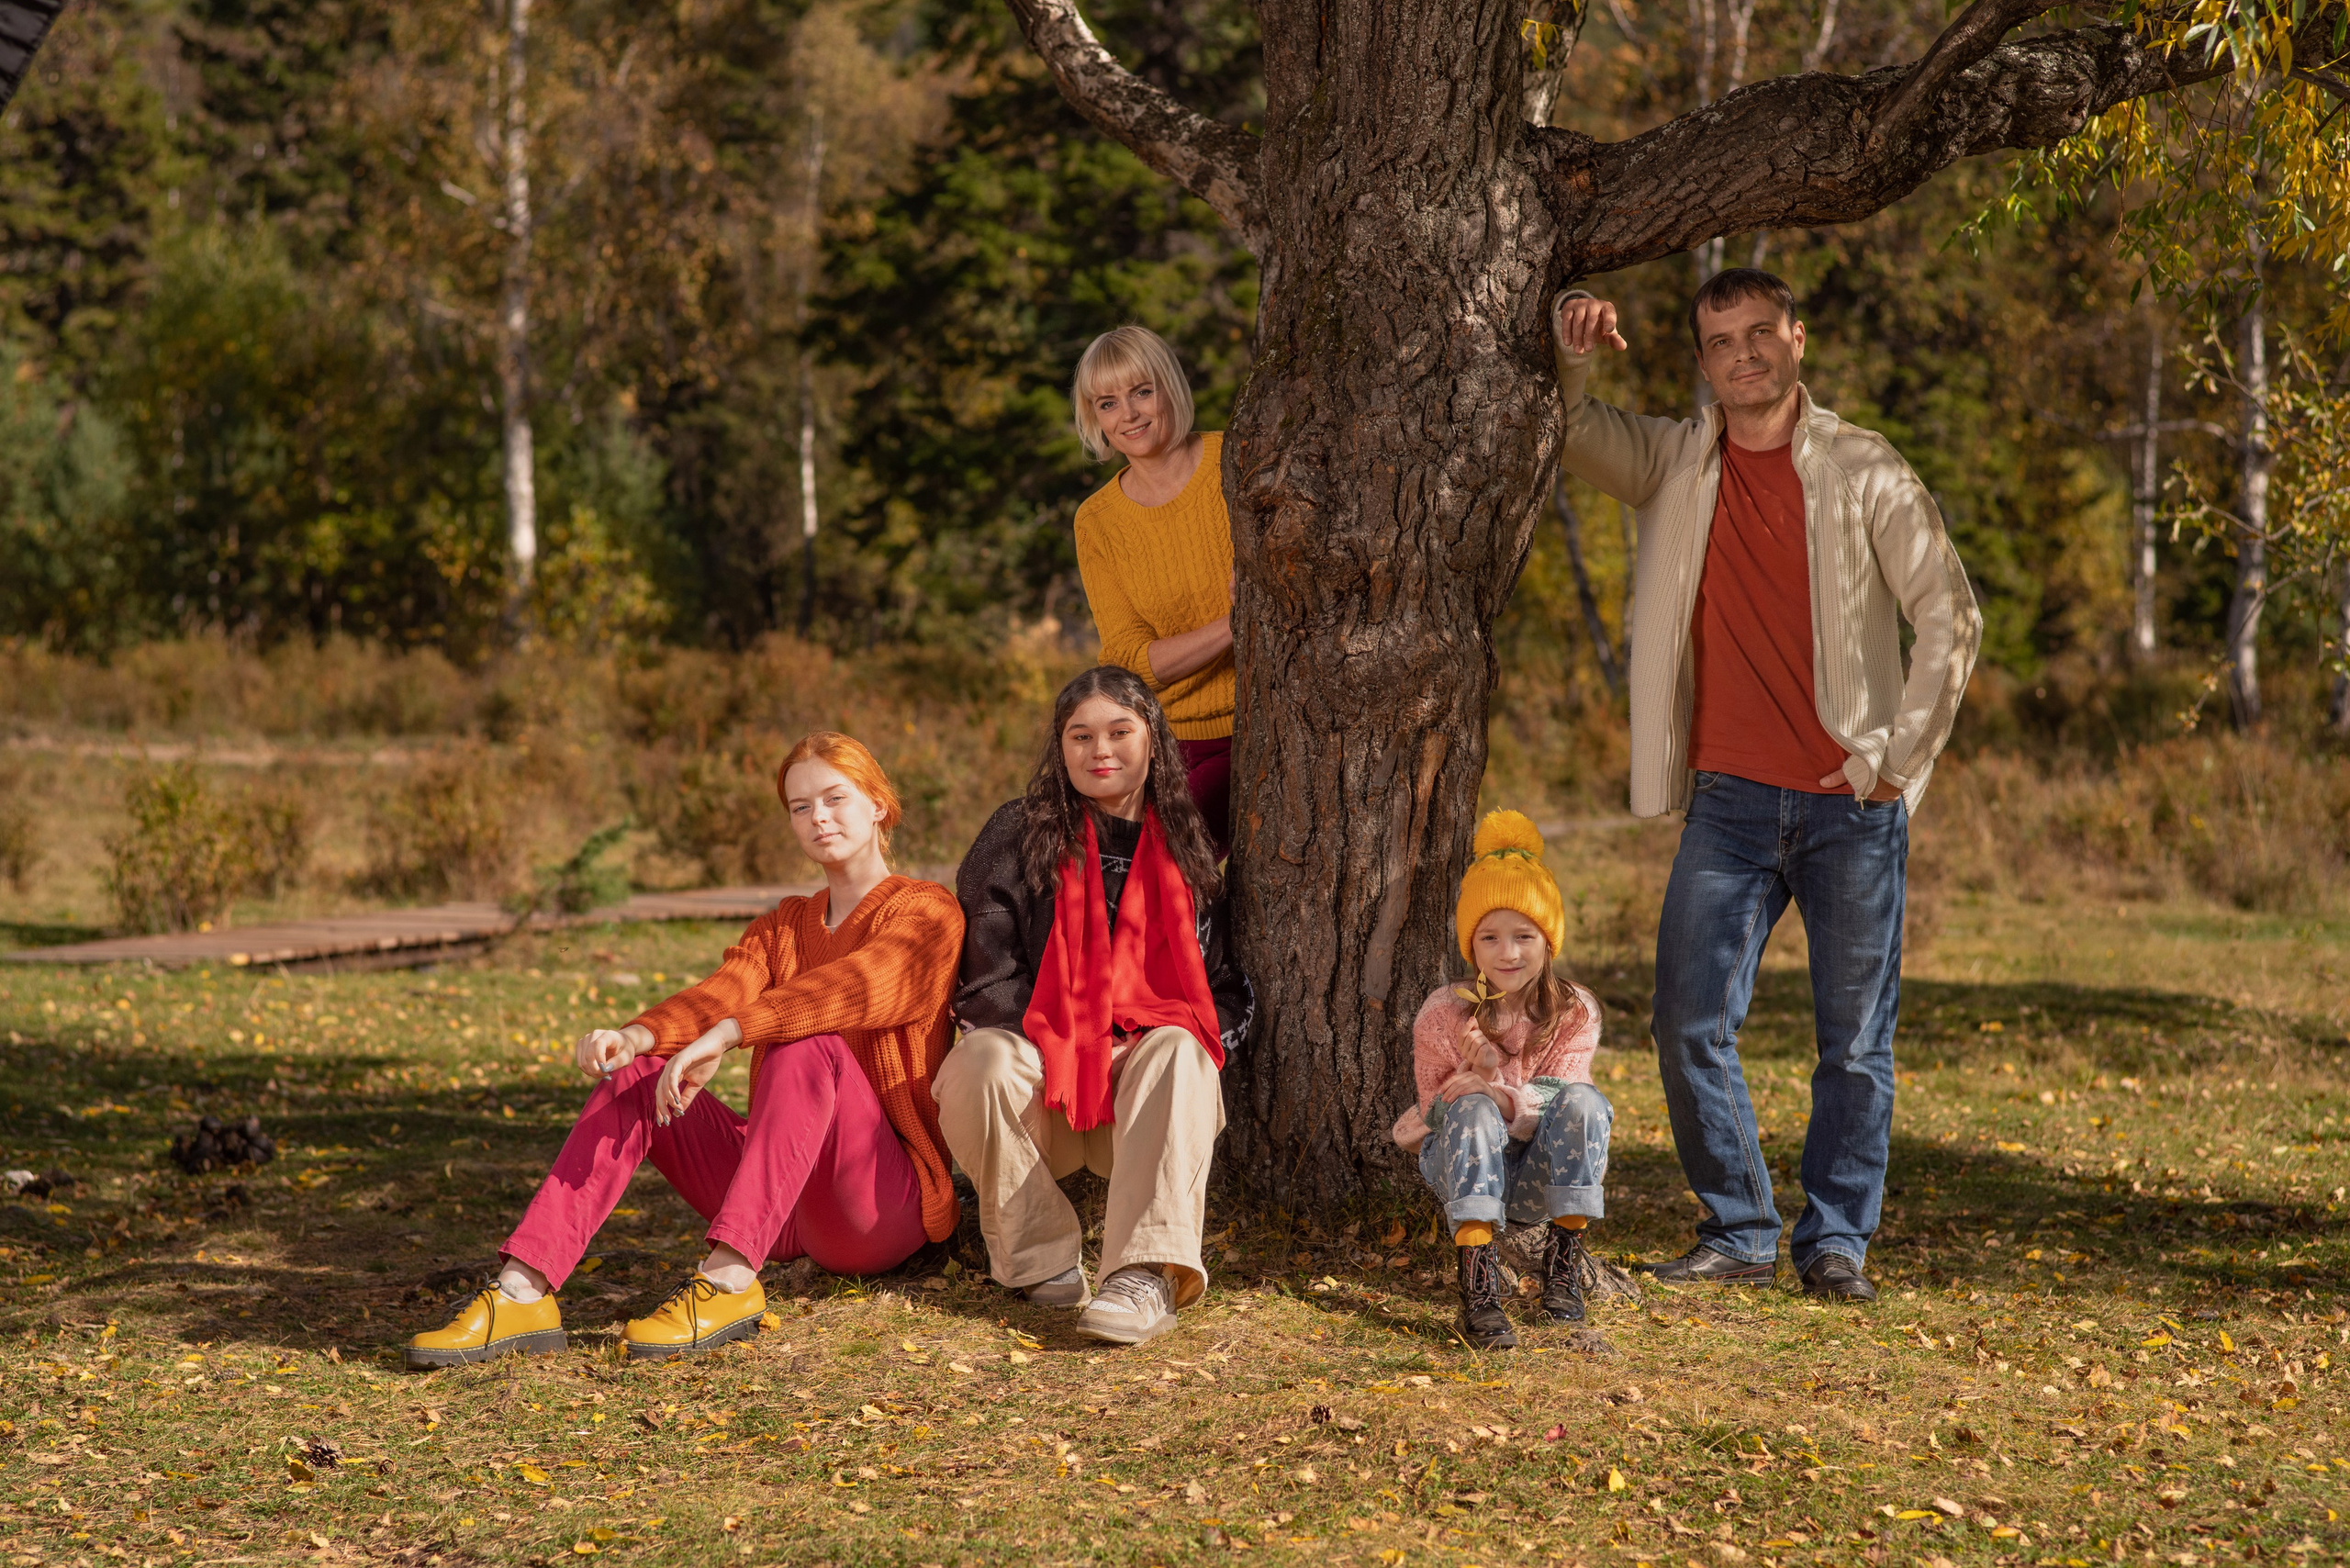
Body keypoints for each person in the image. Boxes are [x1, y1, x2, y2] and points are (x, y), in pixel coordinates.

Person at [1551, 270, 1982, 1303]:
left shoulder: (1863, 467)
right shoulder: (1671, 460)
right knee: (1687, 1018)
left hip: (1851, 805)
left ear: (1797, 338)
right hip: (1730, 802)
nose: (1743, 354)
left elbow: (1950, 616)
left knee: (1856, 1045)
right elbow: (1565, 429)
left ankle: (1836, 1241)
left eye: (1760, 334)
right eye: (1721, 341)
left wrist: (1893, 757)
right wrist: (1567, 349)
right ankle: (1740, 1228)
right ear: (1702, 362)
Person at [404, 733, 966, 1367]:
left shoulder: (927, 913)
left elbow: (852, 988)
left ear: (878, 806)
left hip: (873, 1207)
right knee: (637, 1074)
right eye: (800, 807)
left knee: (805, 1044)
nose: (819, 818)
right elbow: (723, 991)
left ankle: (727, 1282)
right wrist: (636, 1037)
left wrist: (732, 1034)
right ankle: (522, 1291)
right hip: (780, 1205)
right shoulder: (784, 925)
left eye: (836, 799)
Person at [934, 666, 1251, 1346]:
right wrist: (1074, 1041)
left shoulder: (1188, 845)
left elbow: (1223, 989)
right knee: (978, 1062)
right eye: (1080, 735)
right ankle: (1040, 1259)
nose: (1099, 750)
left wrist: (1141, 1036)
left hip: (1145, 1106)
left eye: (1119, 731)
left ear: (1153, 742)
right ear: (1060, 746)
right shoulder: (1016, 835)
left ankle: (1142, 1276)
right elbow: (985, 984)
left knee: (1179, 1048)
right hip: (1042, 1088)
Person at [1392, 812, 1609, 1350]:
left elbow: (1562, 1090)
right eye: (1489, 937)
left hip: (1536, 1172)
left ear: (1549, 940)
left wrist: (1501, 1091)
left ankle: (1562, 1270)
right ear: (1471, 945)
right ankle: (1479, 1289)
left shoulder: (1575, 1010)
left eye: (1524, 935)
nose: (1508, 953)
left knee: (1586, 1102)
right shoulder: (1444, 1012)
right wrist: (1476, 1077)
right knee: (1471, 1109)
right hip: (1462, 1162)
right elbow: (1433, 1109)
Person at [1069, 324, 1237, 853]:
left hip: (1260, 728)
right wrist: (1234, 627)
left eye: (1142, 392)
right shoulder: (1098, 520)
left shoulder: (1234, 462)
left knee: (1154, 854)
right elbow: (1127, 662)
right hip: (1161, 742)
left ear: (1170, 388)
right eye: (1108, 402)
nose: (1130, 415)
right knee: (1062, 851)